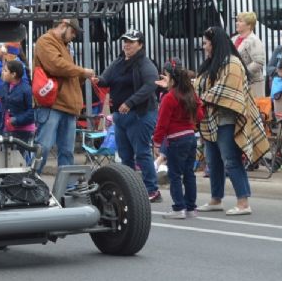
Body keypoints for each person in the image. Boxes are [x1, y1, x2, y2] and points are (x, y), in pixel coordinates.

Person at [196, 26, 268, 216]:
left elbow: (226, 91)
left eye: (206, 43)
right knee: (213, 161)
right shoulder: (213, 63)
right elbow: (199, 85)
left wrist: (200, 98)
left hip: (228, 120)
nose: (204, 47)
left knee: (231, 161)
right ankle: (216, 199)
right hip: (211, 119)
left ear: (215, 43)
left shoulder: (233, 63)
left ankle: (243, 202)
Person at [95, 29, 161, 201]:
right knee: (125, 154)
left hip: (141, 114)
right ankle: (130, 188)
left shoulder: (145, 64)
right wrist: (96, 80)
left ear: (140, 45)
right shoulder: (118, 62)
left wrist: (130, 102)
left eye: (131, 42)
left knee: (142, 152)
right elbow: (105, 79)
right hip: (120, 116)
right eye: (125, 41)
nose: (126, 44)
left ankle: (152, 189)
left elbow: (150, 85)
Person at [32, 19, 95, 174]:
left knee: (66, 152)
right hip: (52, 105)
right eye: (72, 31)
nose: (73, 36)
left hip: (66, 105)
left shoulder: (63, 45)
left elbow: (67, 73)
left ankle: (67, 188)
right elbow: (56, 65)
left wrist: (81, 76)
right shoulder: (45, 41)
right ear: (63, 25)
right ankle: (30, 182)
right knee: (43, 148)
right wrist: (82, 72)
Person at [154, 60, 204, 219]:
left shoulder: (169, 98)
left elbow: (162, 123)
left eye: (166, 75)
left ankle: (178, 208)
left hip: (175, 140)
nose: (164, 79)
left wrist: (156, 142)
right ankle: (191, 207)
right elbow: (200, 115)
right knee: (189, 173)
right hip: (190, 137)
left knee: (175, 175)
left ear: (172, 78)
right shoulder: (190, 93)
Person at [231, 12, 265, 98]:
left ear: (249, 25)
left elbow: (258, 63)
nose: (236, 23)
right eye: (237, 20)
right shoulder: (234, 39)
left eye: (240, 21)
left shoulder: (254, 40)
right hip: (237, 83)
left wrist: (242, 72)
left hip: (253, 85)